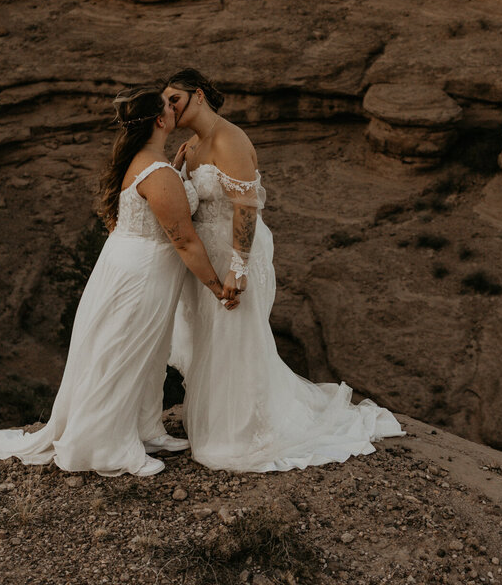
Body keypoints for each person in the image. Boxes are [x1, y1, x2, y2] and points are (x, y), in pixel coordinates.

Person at [0, 86, 236, 477]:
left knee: (150, 352)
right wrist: (215, 286)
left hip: (131, 262)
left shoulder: (149, 160)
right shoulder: (157, 172)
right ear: (160, 121)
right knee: (124, 353)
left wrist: (176, 169)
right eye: (168, 105)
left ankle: (146, 427)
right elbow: (183, 239)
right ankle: (107, 446)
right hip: (142, 273)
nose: (174, 107)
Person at [164, 69, 405, 471]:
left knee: (236, 338)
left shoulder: (230, 139)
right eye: (165, 101)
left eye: (174, 99)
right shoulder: (190, 144)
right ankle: (217, 418)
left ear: (199, 96)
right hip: (206, 259)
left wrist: (238, 268)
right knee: (211, 339)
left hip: (236, 254)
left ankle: (242, 430)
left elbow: (246, 207)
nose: (168, 108)